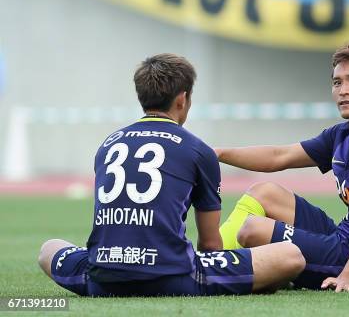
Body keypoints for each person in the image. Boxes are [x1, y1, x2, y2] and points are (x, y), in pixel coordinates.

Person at [37, 53, 305, 297]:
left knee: (49, 248)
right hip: (173, 277)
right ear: (182, 99)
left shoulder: (108, 144)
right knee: (290, 255)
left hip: (101, 277)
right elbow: (210, 244)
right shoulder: (199, 150)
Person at [216, 41, 349, 292]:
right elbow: (279, 156)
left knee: (252, 230)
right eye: (338, 82)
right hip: (343, 238)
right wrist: (217, 153)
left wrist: (347, 277)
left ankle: (215, 272)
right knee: (263, 192)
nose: (344, 90)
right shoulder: (343, 134)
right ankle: (210, 260)